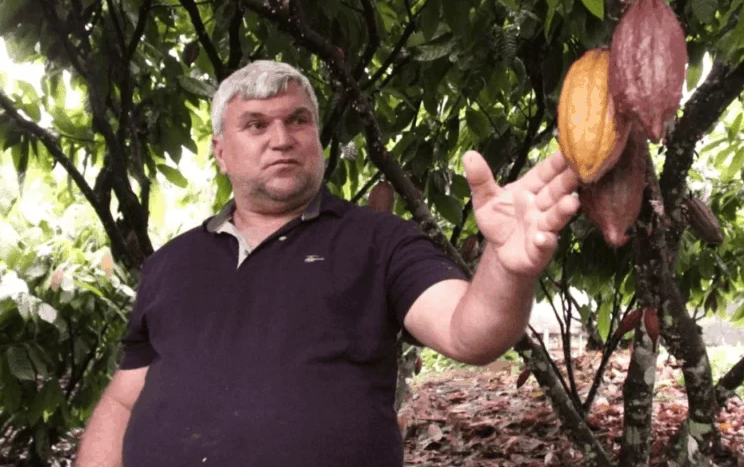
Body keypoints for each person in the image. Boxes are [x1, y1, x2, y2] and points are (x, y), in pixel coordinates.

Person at [74, 60, 581, 466]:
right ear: (220, 152)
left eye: (298, 120)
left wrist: (506, 265)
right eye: (256, 124)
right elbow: (123, 400)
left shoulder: (377, 241)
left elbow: (469, 333)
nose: (282, 138)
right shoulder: (170, 264)